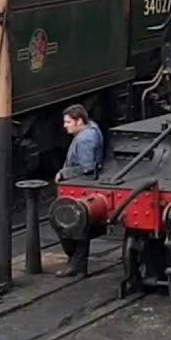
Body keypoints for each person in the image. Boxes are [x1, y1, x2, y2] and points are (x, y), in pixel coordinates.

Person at [54, 104, 104, 277]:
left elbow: (87, 167)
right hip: (81, 185)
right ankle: (77, 264)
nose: (65, 125)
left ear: (79, 121)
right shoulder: (91, 129)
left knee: (71, 224)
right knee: (78, 226)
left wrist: (64, 173)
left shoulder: (86, 139)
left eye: (68, 122)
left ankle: (77, 264)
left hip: (81, 185)